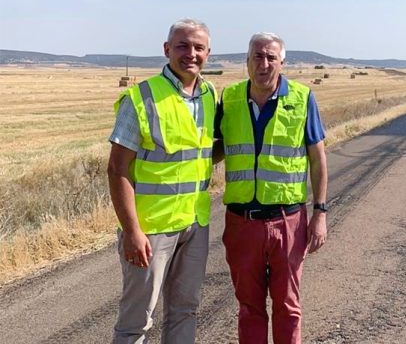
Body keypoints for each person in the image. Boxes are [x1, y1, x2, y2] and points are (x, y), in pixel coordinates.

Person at [107, 18, 217, 343]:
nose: (191, 54)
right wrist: (132, 231)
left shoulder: (209, 95)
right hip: (151, 227)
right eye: (182, 46)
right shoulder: (141, 98)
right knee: (136, 322)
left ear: (208, 53)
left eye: (198, 47)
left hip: (194, 224)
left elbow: (201, 154)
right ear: (167, 49)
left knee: (185, 311)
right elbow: (117, 170)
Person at [216, 31, 328, 344]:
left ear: (282, 61)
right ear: (247, 61)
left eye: (271, 57)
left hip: (288, 221)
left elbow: (318, 161)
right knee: (248, 307)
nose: (264, 64)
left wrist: (319, 213)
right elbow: (216, 148)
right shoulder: (231, 98)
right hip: (242, 222)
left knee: (288, 306)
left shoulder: (302, 98)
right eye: (257, 57)